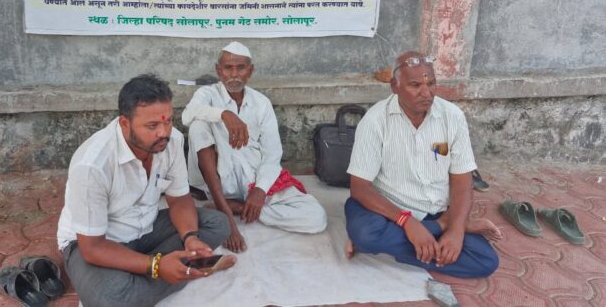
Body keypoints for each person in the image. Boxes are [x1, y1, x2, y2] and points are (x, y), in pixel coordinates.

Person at [57, 74, 232, 307]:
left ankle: (153, 273)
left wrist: (189, 238)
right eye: (152, 126)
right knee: (111, 299)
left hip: (146, 228)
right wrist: (156, 266)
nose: (164, 133)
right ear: (124, 123)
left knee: (217, 224)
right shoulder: (92, 165)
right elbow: (92, 248)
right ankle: (171, 269)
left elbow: (180, 200)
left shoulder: (172, 141)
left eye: (168, 121)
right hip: (99, 242)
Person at [344, 51, 502, 278]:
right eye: (415, 85)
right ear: (395, 86)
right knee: (366, 233)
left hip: (433, 211)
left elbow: (462, 181)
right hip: (388, 211)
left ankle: (396, 243)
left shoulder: (452, 117)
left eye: (431, 84)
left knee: (485, 261)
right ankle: (432, 231)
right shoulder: (375, 121)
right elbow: (360, 188)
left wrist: (456, 231)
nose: (426, 93)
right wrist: (410, 223)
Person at [184, 41, 327, 253]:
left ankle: (238, 207)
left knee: (316, 218)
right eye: (228, 68)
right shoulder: (208, 94)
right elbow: (187, 114)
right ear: (218, 70)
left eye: (240, 68)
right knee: (198, 126)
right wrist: (224, 114)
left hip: (253, 176)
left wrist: (259, 191)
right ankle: (224, 210)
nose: (234, 74)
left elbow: (272, 153)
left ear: (250, 71)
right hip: (220, 180)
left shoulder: (261, 103)